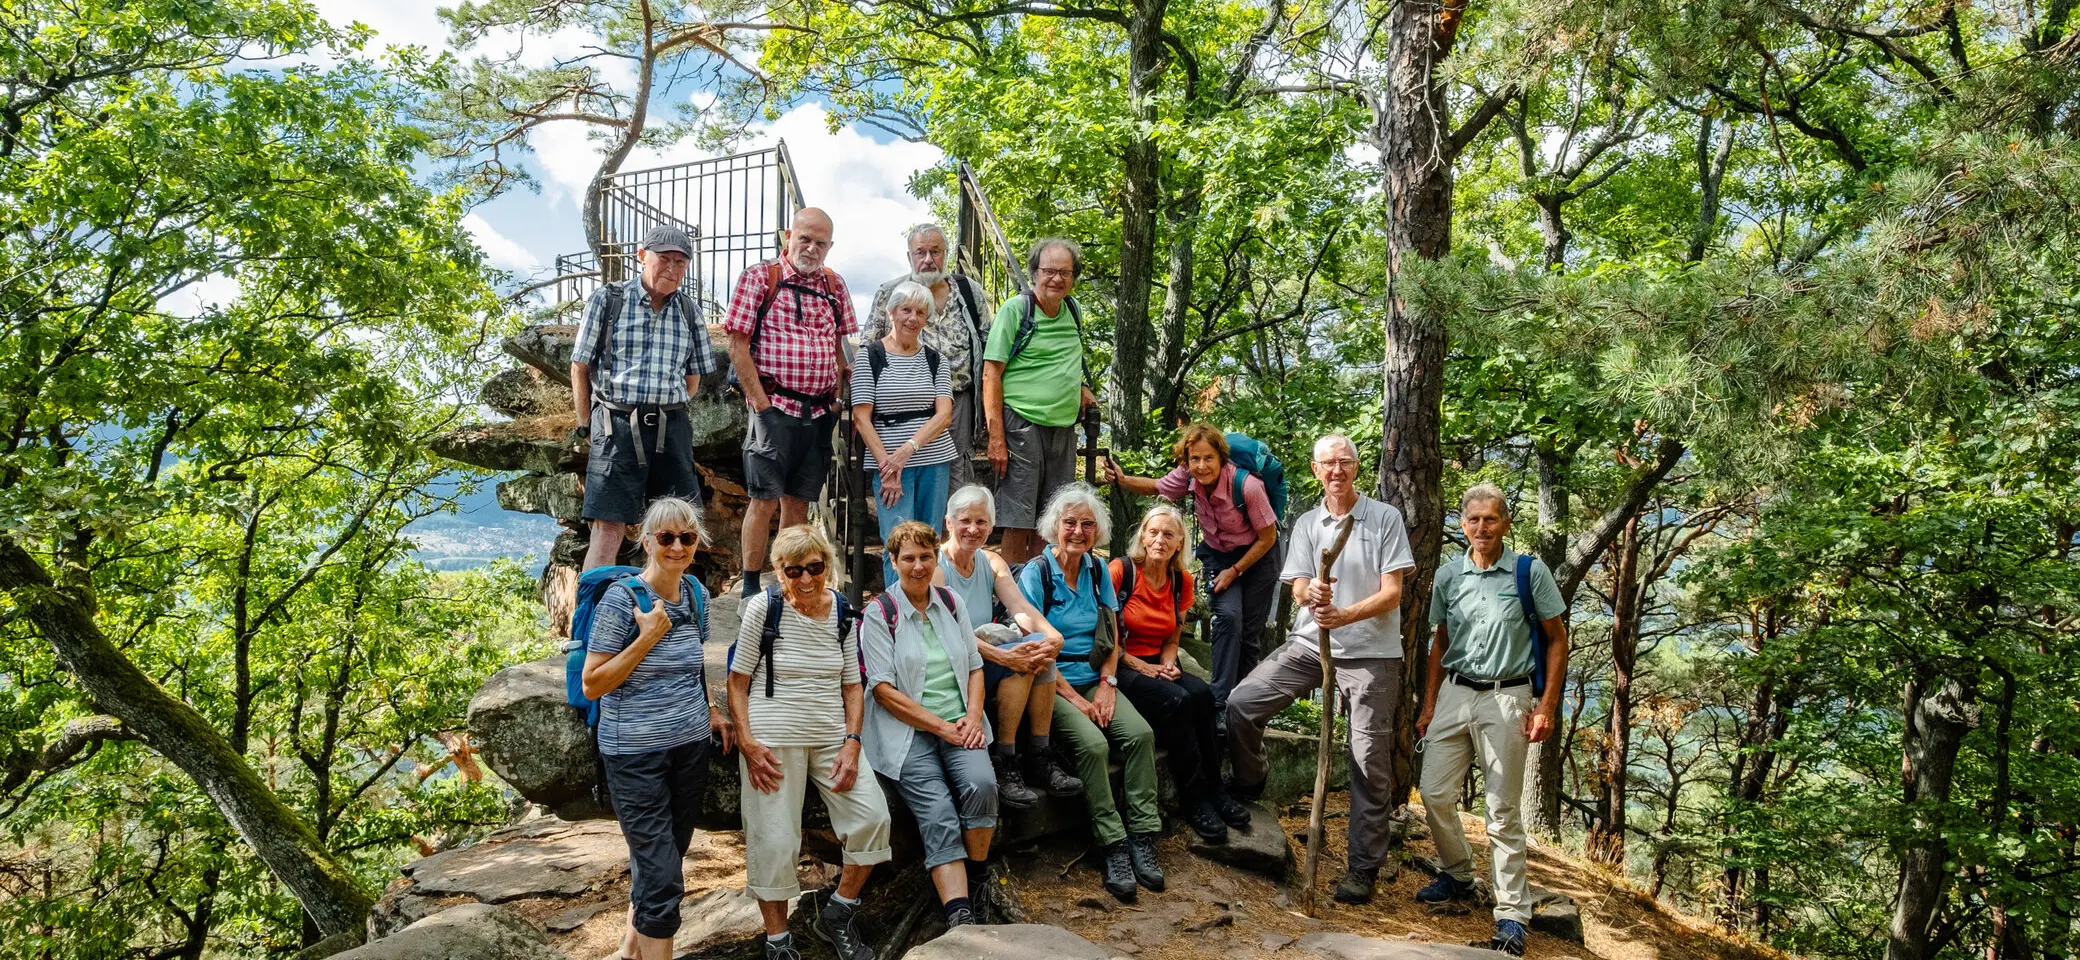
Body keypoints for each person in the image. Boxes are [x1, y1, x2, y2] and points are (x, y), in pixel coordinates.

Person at [1224, 434, 1415, 906]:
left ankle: (1362, 868)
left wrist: (1345, 614)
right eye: (1327, 463)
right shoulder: (1309, 523)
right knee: (1242, 703)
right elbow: (1298, 585)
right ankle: (1251, 781)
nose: (1336, 471)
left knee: (1368, 760)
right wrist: (1311, 597)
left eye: (1344, 462)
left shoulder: (1384, 518)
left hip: (1372, 653)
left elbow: (1393, 592)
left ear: (1356, 467)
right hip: (1310, 644)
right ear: (1315, 470)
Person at [1414, 484, 1570, 957]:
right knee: (1434, 792)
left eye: (1491, 519)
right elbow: (1440, 641)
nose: (1481, 528)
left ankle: (1511, 915)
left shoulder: (1529, 572)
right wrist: (1428, 704)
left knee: (1501, 813)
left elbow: (1558, 640)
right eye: (1473, 520)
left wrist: (1545, 705)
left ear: (1505, 523)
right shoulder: (1448, 575)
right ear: (1462, 525)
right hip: (1456, 693)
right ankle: (1459, 874)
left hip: (1509, 697)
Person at [730, 525, 891, 960]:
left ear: (827, 565)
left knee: (873, 818)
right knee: (777, 840)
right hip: (772, 740)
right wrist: (746, 741)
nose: (805, 579)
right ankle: (778, 941)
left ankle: (839, 910)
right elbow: (737, 680)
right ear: (778, 572)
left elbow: (852, 685)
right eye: (793, 570)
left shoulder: (840, 608)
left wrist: (853, 742)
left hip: (830, 738)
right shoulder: (764, 609)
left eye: (815, 568)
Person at [579, 497, 729, 960]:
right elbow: (592, 683)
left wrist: (712, 711)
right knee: (664, 875)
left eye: (686, 537)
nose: (677, 546)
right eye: (666, 537)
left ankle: (630, 949)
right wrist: (646, 639)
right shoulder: (623, 601)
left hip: (688, 747)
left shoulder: (696, 595)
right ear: (646, 542)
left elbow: (691, 667)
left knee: (663, 858)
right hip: (634, 753)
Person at [1016, 484, 1163, 902]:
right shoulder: (1036, 574)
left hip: (1097, 678)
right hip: (1052, 687)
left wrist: (1106, 685)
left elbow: (1112, 636)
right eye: (1070, 523)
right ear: (1054, 527)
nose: (1078, 531)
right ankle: (1112, 843)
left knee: (1140, 736)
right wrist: (1078, 699)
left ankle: (1144, 836)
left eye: (1086, 524)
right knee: (1094, 746)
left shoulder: (1099, 571)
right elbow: (1036, 651)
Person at [860, 521, 999, 929]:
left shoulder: (951, 602)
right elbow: (883, 690)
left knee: (983, 785)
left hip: (961, 724)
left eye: (925, 556)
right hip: (907, 733)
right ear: (893, 562)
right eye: (908, 558)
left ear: (935, 557)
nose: (918, 566)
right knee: (937, 810)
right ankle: (959, 915)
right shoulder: (880, 612)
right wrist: (941, 727)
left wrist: (973, 717)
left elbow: (975, 666)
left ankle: (976, 880)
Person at [571, 226, 722, 571]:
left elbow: (694, 378)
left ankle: (664, 614)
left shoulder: (689, 311)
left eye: (681, 263)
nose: (672, 268)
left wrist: (668, 405)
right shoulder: (608, 300)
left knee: (675, 530)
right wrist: (585, 424)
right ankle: (592, 622)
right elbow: (579, 365)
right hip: (615, 426)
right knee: (608, 528)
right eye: (664, 259)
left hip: (671, 428)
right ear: (642, 256)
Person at [725, 208, 857, 597]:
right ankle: (750, 589)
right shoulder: (760, 277)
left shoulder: (834, 285)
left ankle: (785, 584)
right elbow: (737, 343)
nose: (812, 248)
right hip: (774, 406)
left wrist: (836, 400)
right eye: (805, 239)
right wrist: (761, 405)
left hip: (818, 411)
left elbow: (840, 346)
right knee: (763, 499)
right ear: (788, 236)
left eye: (820, 242)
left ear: (830, 246)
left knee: (798, 503)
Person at [1105, 423, 1281, 710]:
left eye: (1208, 458)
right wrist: (1122, 480)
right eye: (1194, 459)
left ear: (1221, 457)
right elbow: (1156, 487)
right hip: (1218, 553)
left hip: (1259, 555)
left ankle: (1243, 704)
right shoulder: (1188, 478)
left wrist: (1235, 571)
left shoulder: (1248, 486)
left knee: (1249, 635)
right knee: (1227, 618)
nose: (1201, 466)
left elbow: (1268, 537)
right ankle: (1220, 703)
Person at [1105, 504, 1252, 843]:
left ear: (1179, 541)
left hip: (1158, 661)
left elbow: (1172, 637)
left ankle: (1216, 790)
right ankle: (1195, 798)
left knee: (1202, 695)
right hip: (1122, 664)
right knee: (1178, 700)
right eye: (1153, 532)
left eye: (1168, 534)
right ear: (1142, 535)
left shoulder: (1181, 580)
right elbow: (1108, 639)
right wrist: (1144, 667)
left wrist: (1169, 663)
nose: (1159, 540)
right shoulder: (1120, 571)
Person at [934, 484, 1083, 807]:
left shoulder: (991, 562)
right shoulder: (935, 566)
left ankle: (1040, 755)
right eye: (965, 521)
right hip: (952, 663)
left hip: (987, 658)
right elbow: (948, 632)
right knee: (1019, 658)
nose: (973, 529)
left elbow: (1020, 608)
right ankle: (1005, 760)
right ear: (948, 523)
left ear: (991, 526)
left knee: (1038, 648)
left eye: (981, 522)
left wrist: (1051, 637)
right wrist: (1004, 655)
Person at [982, 238, 1097, 565]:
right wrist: (996, 437)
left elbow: (1066, 360)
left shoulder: (1072, 310)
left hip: (1062, 428)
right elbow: (991, 374)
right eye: (1049, 271)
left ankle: (1041, 591)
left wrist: (1082, 388)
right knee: (1019, 521)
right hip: (1021, 425)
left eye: (1065, 272)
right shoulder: (1017, 310)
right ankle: (1013, 600)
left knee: (1053, 521)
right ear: (1034, 273)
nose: (1057, 279)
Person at [867, 224, 995, 487]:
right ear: (909, 257)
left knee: (958, 474)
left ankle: (952, 529)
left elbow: (989, 343)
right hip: (907, 402)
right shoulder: (890, 292)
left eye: (935, 252)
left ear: (945, 254)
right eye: (920, 252)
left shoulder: (968, 291)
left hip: (958, 400)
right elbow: (869, 348)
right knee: (911, 475)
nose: (928, 259)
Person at [852, 280, 959, 587]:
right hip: (888, 465)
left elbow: (944, 416)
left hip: (933, 459)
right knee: (896, 543)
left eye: (921, 312)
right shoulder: (870, 357)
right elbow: (861, 417)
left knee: (928, 541)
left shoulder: (935, 359)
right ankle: (896, 614)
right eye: (906, 310)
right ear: (891, 312)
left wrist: (907, 450)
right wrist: (889, 466)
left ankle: (928, 610)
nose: (913, 318)